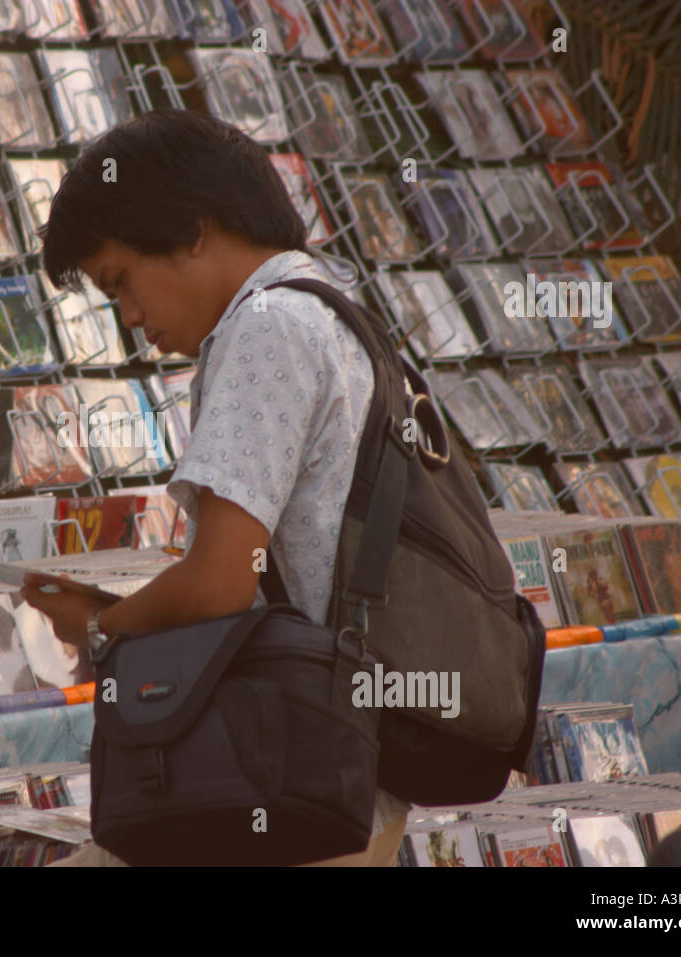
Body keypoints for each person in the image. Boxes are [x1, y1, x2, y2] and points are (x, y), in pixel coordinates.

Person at [21, 109, 409, 866]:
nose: (130, 318)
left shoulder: (265, 328)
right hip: (340, 767)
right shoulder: (326, 306)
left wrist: (102, 629)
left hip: (297, 774)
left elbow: (224, 583)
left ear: (193, 231)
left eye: (122, 282)